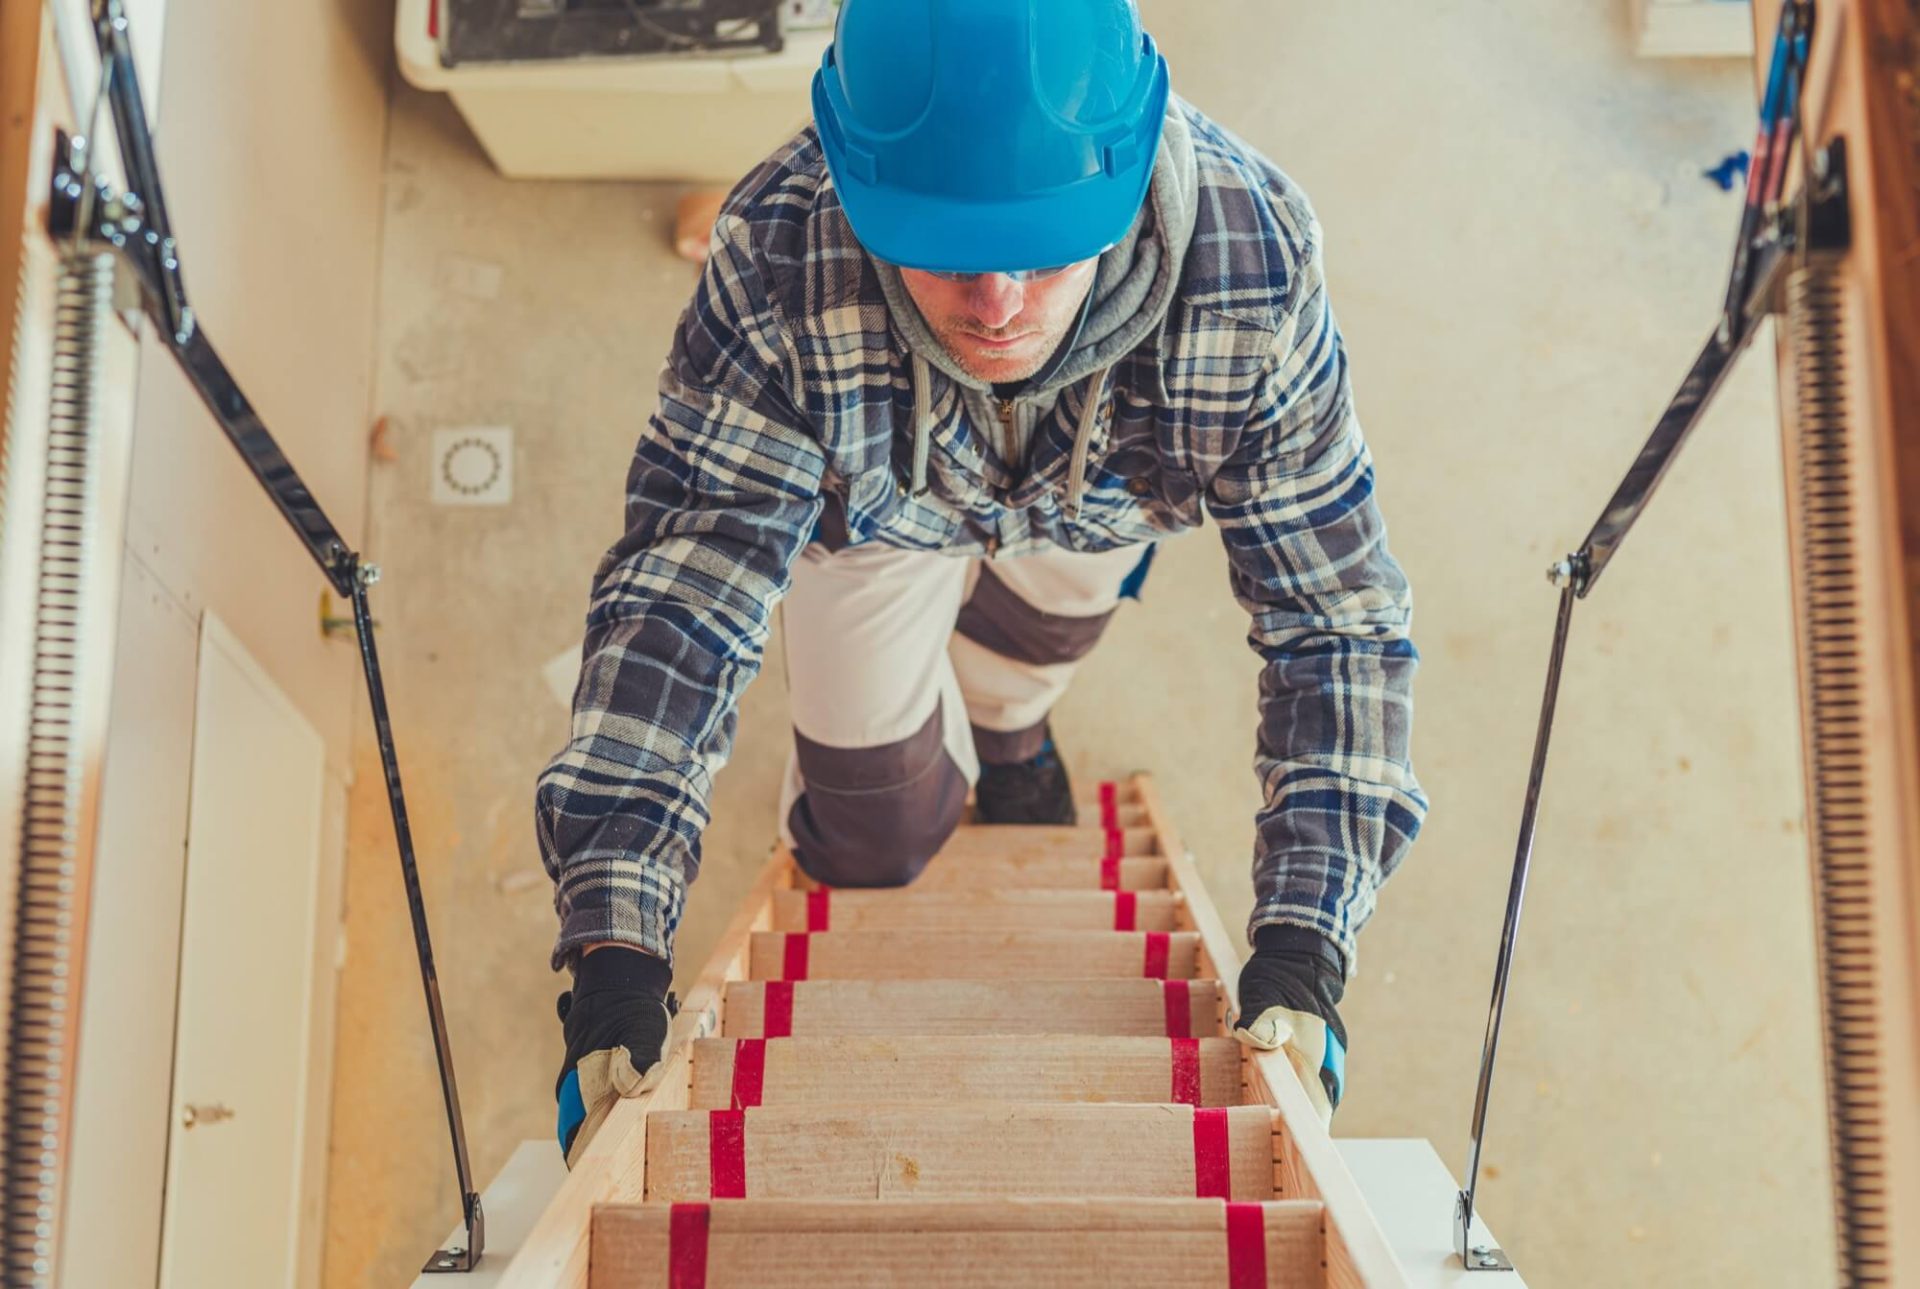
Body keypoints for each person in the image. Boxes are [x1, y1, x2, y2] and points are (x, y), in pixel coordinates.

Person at [542, 0, 1427, 1165]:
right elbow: (682, 598)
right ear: (856, 183)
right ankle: (957, 749)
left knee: (1028, 660)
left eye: (1050, 246)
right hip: (872, 522)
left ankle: (1007, 739)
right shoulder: (775, 256)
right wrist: (616, 940)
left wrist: (1309, 934)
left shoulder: (1253, 259)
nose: (998, 303)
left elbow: (1334, 615)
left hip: (1106, 494)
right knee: (869, 838)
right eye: (948, 249)